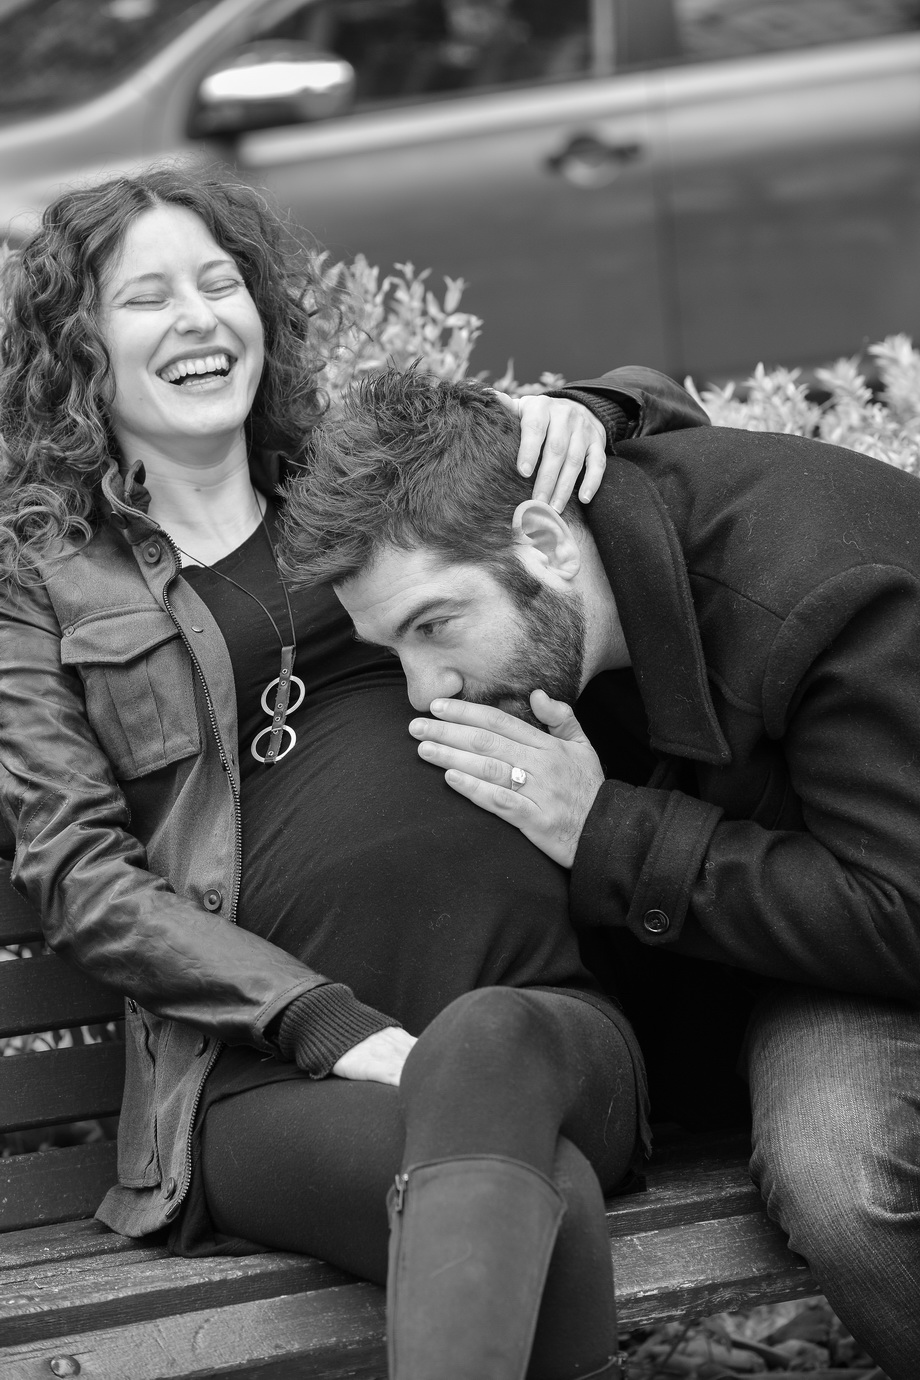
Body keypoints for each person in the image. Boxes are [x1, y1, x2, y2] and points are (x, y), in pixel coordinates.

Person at [0, 167, 704, 1379]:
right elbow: (77, 876)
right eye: (147, 298)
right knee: (548, 1201)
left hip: (544, 1016)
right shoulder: (38, 583)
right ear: (79, 347)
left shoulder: (365, 470)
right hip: (265, 1077)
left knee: (492, 1053)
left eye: (220, 283)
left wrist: (590, 407)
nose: (198, 318)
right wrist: (322, 1024)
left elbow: (669, 421)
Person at [280, 365, 920, 1380]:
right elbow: (641, 416)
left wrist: (604, 831)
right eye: (392, 646)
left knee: (841, 1176)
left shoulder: (831, 592)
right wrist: (612, 398)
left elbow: (904, 915)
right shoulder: (568, 563)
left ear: (542, 543)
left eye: (434, 625)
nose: (426, 688)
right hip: (787, 958)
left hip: (884, 937)